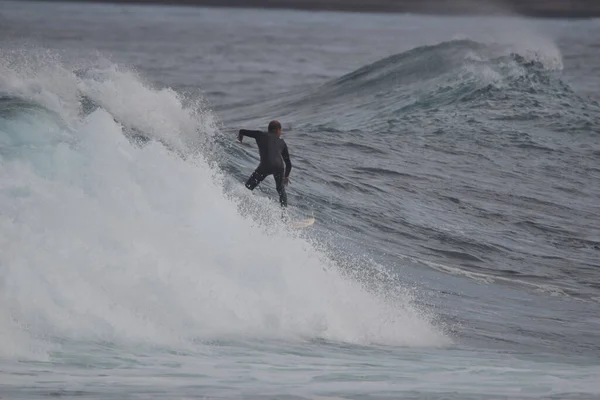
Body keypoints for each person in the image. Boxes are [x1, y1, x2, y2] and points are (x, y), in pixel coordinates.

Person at [237, 120, 292, 207]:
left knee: (248, 187)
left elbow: (242, 131)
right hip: (279, 167)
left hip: (265, 166)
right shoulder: (282, 142)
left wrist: (240, 138)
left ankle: (238, 205)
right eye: (280, 131)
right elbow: (288, 164)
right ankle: (284, 216)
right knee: (281, 190)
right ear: (278, 130)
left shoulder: (260, 134)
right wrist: (286, 176)